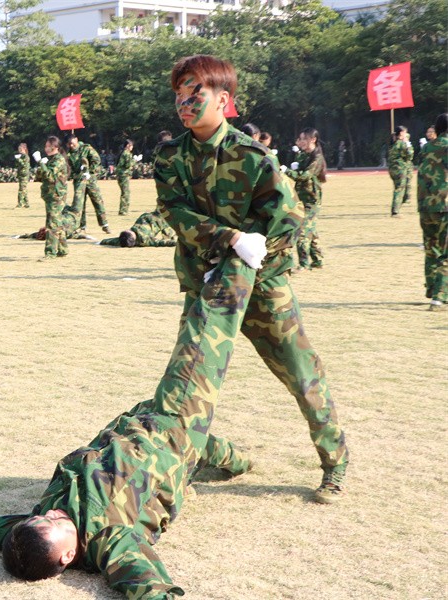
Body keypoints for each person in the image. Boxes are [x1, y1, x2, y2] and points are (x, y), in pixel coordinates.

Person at [0, 257, 258, 599]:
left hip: (135, 425)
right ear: (68, 555)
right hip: (174, 429)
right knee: (202, 345)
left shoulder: (34, 529)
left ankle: (238, 461)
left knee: (194, 350)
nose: (52, 513)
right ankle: (239, 263)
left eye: (42, 517)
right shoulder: (111, 542)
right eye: (55, 522)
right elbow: (145, 584)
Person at [154, 54, 348, 503]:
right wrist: (231, 238)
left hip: (262, 285)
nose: (184, 102)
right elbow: (173, 211)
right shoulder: (170, 156)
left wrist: (256, 252)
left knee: (301, 373)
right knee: (191, 380)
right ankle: (186, 464)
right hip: (208, 285)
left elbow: (289, 217)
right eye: (179, 94)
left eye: (195, 92)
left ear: (223, 99)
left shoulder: (253, 155)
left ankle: (334, 462)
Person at [417, 113, 448, 311]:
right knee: (445, 253)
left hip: (426, 206)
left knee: (431, 250)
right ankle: (439, 297)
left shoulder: (427, 147)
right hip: (444, 206)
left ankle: (431, 288)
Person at [284, 128, 327, 271]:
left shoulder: (317, 158)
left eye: (304, 139)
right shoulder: (302, 155)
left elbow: (304, 176)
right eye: (300, 139)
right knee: (311, 231)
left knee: (302, 231)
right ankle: (318, 261)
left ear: (313, 139)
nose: (301, 142)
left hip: (311, 200)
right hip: (300, 198)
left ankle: (303, 264)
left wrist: (287, 171)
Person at [32, 136, 69, 260]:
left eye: (49, 146)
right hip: (51, 195)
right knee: (57, 222)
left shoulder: (58, 160)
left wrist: (41, 163)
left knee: (52, 224)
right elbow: (40, 177)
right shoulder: (51, 160)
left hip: (56, 196)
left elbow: (50, 176)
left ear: (56, 147)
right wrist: (42, 165)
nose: (46, 148)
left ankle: (50, 252)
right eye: (46, 146)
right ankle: (63, 249)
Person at [65, 134, 111, 234]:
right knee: (79, 204)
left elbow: (96, 159)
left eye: (72, 143)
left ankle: (104, 224)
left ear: (76, 140)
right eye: (69, 144)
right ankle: (81, 226)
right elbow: (69, 169)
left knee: (97, 201)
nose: (71, 146)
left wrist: (90, 171)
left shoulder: (86, 148)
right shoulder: (68, 154)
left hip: (90, 179)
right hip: (78, 181)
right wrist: (75, 175)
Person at [98, 210, 176, 247]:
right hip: (160, 220)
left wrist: (102, 241)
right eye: (129, 231)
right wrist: (175, 243)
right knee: (169, 236)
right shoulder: (144, 240)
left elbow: (111, 240)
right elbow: (159, 242)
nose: (128, 229)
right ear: (133, 236)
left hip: (151, 215)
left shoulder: (122, 240)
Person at [387, 125, 414, 217]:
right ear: (402, 133)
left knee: (399, 188)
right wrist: (408, 144)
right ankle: (395, 211)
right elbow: (410, 155)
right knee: (399, 189)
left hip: (392, 169)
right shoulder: (402, 144)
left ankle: (400, 203)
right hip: (400, 169)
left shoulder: (393, 143)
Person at [115, 140, 142, 216]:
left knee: (124, 192)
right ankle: (123, 211)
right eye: (131, 145)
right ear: (128, 145)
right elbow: (128, 165)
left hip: (121, 174)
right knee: (125, 193)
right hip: (124, 175)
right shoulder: (127, 154)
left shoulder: (123, 152)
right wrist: (135, 160)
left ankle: (123, 210)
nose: (132, 147)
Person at [13, 143, 30, 208]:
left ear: (24, 149)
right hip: (21, 174)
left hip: (24, 175)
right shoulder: (21, 156)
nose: (19, 150)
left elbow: (24, 165)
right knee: (24, 189)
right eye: (19, 149)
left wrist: (18, 159)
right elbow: (18, 165)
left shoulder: (26, 156)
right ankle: (26, 203)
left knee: (21, 189)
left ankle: (20, 204)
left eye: (21, 149)